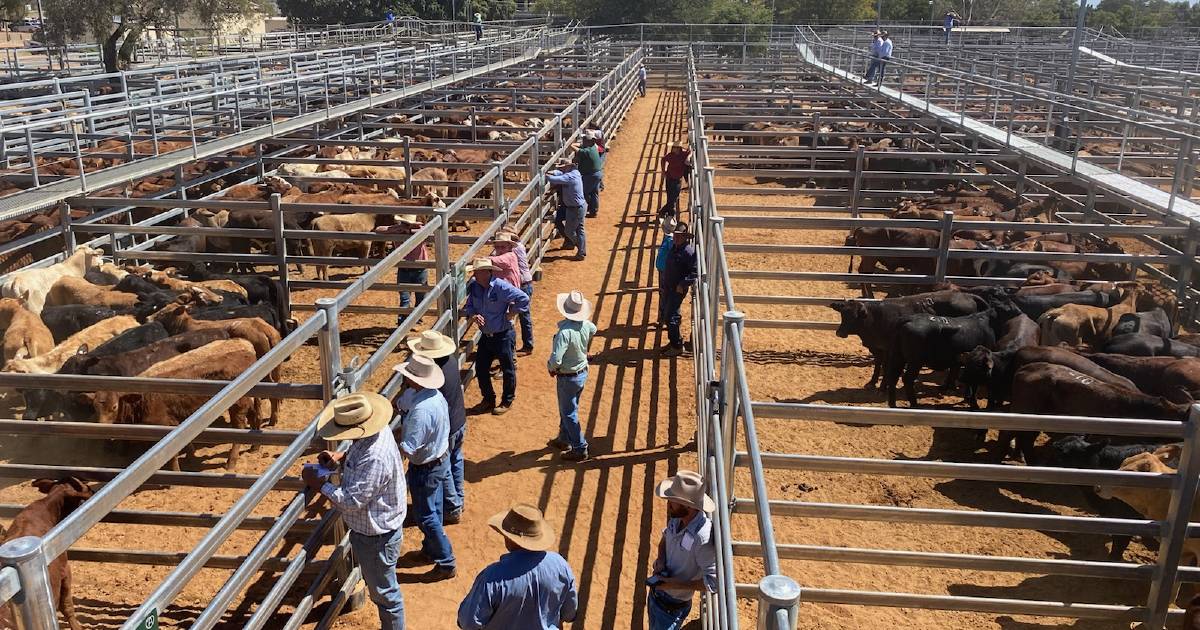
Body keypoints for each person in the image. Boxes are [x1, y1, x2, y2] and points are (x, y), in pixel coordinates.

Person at [302, 392, 407, 629]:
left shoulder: (374, 458)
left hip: (376, 535)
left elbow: (351, 501)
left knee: (385, 596)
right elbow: (360, 451)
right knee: (383, 590)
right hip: (377, 530)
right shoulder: (376, 434)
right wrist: (341, 457)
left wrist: (319, 483)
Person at [457, 504, 579, 629]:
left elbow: (468, 622)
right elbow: (570, 612)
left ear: (510, 539)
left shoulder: (492, 577)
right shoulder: (560, 565)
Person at [393, 354, 456, 581]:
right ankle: (431, 550)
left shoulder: (421, 411)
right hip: (439, 460)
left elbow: (409, 448)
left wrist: (393, 442)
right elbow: (403, 402)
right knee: (435, 509)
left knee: (426, 516)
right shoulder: (434, 397)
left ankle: (446, 561)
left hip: (425, 467)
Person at [406, 330, 467, 525]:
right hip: (459, 419)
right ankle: (458, 499)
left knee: (446, 465)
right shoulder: (450, 361)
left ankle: (453, 506)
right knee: (456, 460)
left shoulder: (433, 375)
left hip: (446, 428)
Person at [646, 471, 717, 630]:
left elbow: (713, 582)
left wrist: (674, 584)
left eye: (673, 501)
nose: (669, 503)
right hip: (657, 596)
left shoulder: (702, 538)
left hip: (673, 607)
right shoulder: (677, 518)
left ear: (688, 506)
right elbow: (664, 540)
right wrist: (661, 560)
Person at [463, 257, 529, 415]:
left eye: (477, 272)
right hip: (486, 335)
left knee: (508, 369)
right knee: (481, 368)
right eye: (474, 272)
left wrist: (511, 313)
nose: (474, 275)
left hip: (503, 335)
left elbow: (523, 298)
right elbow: (470, 305)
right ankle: (488, 399)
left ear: (487, 272)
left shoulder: (501, 286)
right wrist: (474, 314)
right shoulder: (475, 287)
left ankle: (507, 400)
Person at [546, 290, 596, 462]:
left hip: (567, 376)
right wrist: (584, 350)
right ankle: (564, 438)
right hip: (581, 373)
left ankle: (579, 447)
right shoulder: (586, 325)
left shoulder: (564, 333)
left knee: (568, 412)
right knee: (569, 408)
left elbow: (556, 359)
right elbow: (593, 330)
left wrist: (551, 367)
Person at [377, 214, 427, 321]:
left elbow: (431, 231)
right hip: (409, 268)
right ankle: (403, 321)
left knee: (419, 297)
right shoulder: (397, 229)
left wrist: (409, 231)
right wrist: (397, 229)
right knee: (406, 298)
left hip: (416, 268)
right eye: (405, 223)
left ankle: (414, 318)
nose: (407, 226)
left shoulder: (420, 229)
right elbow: (378, 229)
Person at [492, 231, 534, 354]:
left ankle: (513, 353)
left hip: (520, 288)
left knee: (513, 321)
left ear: (510, 246)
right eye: (497, 246)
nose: (499, 249)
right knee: (518, 319)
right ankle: (523, 346)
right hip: (520, 286)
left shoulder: (510, 255)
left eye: (502, 246)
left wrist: (480, 261)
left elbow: (497, 261)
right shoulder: (515, 249)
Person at [659, 221, 696, 357]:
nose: (676, 238)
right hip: (670, 286)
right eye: (675, 235)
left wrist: (682, 284)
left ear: (685, 237)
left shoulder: (687, 252)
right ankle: (675, 342)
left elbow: (694, 272)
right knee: (668, 315)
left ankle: (676, 345)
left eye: (679, 236)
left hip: (676, 289)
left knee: (671, 316)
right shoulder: (676, 248)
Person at [547, 159, 587, 260]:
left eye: (563, 167)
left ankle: (581, 248)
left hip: (575, 208)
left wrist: (545, 176)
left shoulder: (569, 176)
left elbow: (554, 179)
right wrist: (553, 172)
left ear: (568, 167)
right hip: (578, 206)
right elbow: (559, 173)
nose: (562, 169)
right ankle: (581, 251)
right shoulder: (574, 173)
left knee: (569, 231)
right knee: (579, 229)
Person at [575, 131, 606, 219]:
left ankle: (584, 210)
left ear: (590, 141)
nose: (583, 141)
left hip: (590, 175)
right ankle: (594, 211)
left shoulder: (588, 151)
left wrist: (573, 145)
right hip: (596, 174)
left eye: (585, 139)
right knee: (594, 193)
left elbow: (576, 148)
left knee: (583, 192)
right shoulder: (593, 148)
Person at [659, 142, 690, 218]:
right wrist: (663, 171)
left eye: (674, 147)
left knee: (673, 197)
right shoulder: (671, 155)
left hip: (677, 179)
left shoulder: (683, 154)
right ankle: (669, 214)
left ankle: (664, 212)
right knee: (671, 197)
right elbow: (663, 159)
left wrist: (688, 157)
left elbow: (691, 152)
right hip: (670, 178)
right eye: (673, 147)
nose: (673, 149)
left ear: (678, 148)